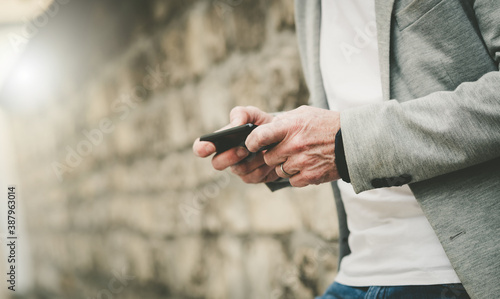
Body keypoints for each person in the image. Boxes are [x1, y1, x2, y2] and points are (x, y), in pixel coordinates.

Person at [193, 0, 500, 298]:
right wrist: (286, 146)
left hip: (457, 273)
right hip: (357, 270)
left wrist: (346, 143)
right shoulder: (308, 5)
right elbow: (352, 110)